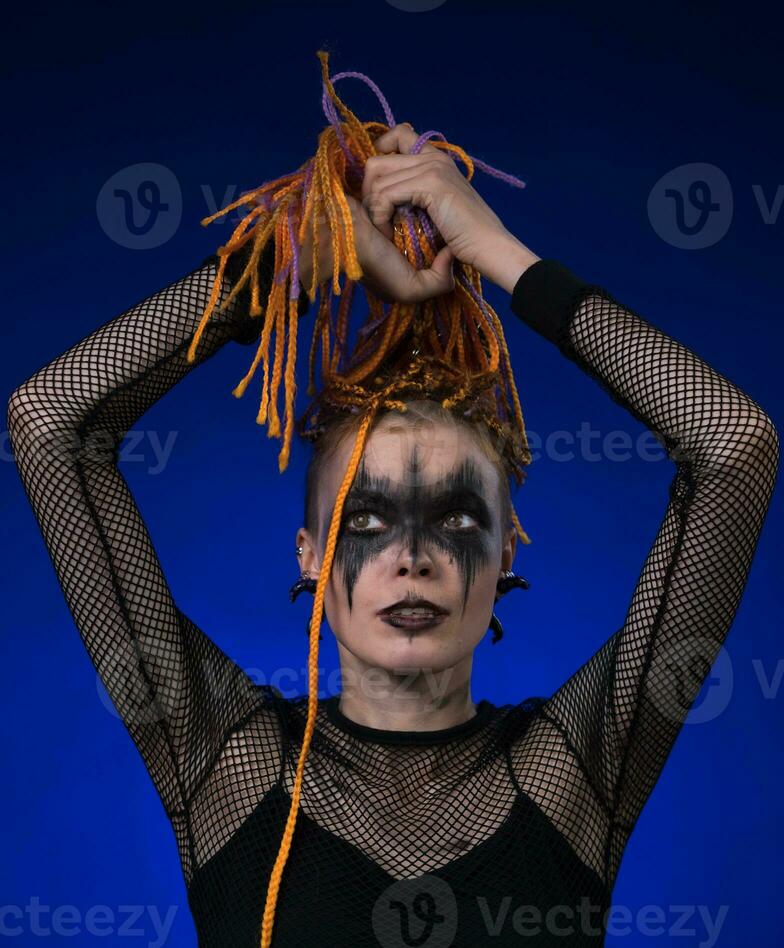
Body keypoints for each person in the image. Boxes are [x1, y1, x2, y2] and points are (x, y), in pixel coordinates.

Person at [7, 120, 779, 948]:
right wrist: (297, 256)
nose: (412, 557)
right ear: (309, 555)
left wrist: (496, 251)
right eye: (366, 520)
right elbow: (51, 420)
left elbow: (734, 445)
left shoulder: (571, 779)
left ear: (506, 554)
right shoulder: (227, 766)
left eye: (456, 518)